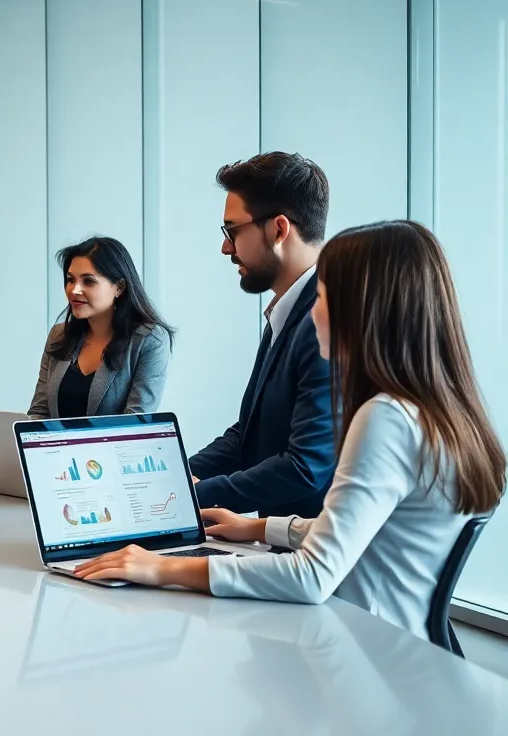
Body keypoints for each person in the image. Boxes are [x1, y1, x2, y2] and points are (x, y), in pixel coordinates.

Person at [74, 220, 506, 639]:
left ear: (363, 309)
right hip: (401, 647)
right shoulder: (442, 414)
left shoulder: (385, 418)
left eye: (323, 295)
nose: (312, 312)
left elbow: (312, 575)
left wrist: (161, 567)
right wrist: (259, 528)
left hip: (368, 651)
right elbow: (359, 532)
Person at [189, 151, 337, 518]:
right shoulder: (288, 311)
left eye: (232, 231)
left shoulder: (326, 321)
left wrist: (191, 497)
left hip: (310, 546)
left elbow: (305, 467)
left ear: (279, 230)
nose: (226, 247)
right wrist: (175, 478)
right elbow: (251, 434)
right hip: (278, 540)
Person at [28, 236, 172, 418]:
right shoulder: (59, 335)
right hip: (53, 439)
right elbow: (39, 411)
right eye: (70, 279)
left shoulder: (150, 340)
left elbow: (135, 423)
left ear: (119, 287)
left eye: (88, 281)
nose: (74, 290)